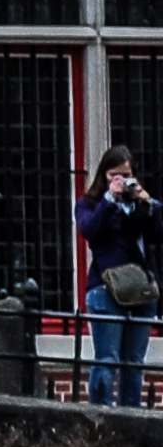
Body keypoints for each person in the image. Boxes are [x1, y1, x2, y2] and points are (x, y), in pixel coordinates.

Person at [79, 144, 158, 407]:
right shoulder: (90, 204)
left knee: (133, 362)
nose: (122, 181)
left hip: (141, 289)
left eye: (127, 175)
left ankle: (130, 420)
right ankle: (99, 420)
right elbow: (89, 230)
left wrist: (146, 204)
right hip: (106, 287)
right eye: (115, 175)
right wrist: (109, 200)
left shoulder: (139, 205)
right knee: (108, 358)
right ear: (104, 175)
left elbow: (158, 233)